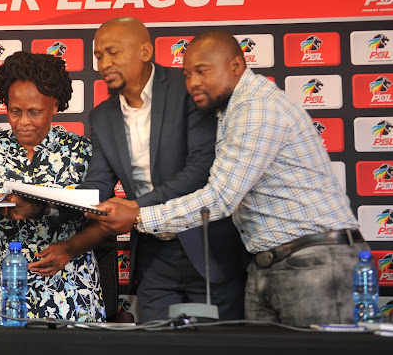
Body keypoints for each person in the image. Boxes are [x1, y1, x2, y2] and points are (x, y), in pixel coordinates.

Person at [87, 29, 368, 327]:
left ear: (235, 66)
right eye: (187, 74)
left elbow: (220, 198)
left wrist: (139, 217)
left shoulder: (256, 108)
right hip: (268, 262)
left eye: (202, 71)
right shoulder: (228, 111)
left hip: (313, 261)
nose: (193, 82)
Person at [28, 17, 248, 322]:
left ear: (145, 51)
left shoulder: (188, 89)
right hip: (154, 256)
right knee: (153, 347)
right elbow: (99, 184)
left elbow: (201, 170)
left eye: (113, 52)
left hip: (208, 247)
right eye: (98, 55)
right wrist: (43, 205)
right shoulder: (102, 116)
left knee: (218, 345)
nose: (104, 63)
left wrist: (135, 209)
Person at [0, 51, 105, 322]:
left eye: (34, 112)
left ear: (55, 105)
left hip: (71, 291)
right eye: (15, 111)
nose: (23, 122)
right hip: (3, 295)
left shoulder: (81, 151)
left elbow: (104, 220)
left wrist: (69, 247)